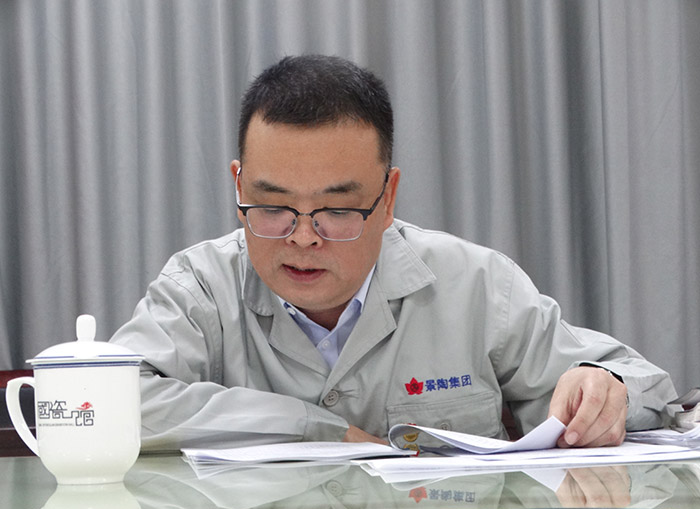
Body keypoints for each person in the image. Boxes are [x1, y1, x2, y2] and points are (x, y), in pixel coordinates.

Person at [111, 54, 677, 452]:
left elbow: (646, 385)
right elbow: (110, 401)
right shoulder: (200, 287)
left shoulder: (475, 284)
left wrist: (606, 390)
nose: (303, 238)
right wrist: (310, 429)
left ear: (387, 197)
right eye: (274, 205)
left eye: (337, 210)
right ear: (239, 185)